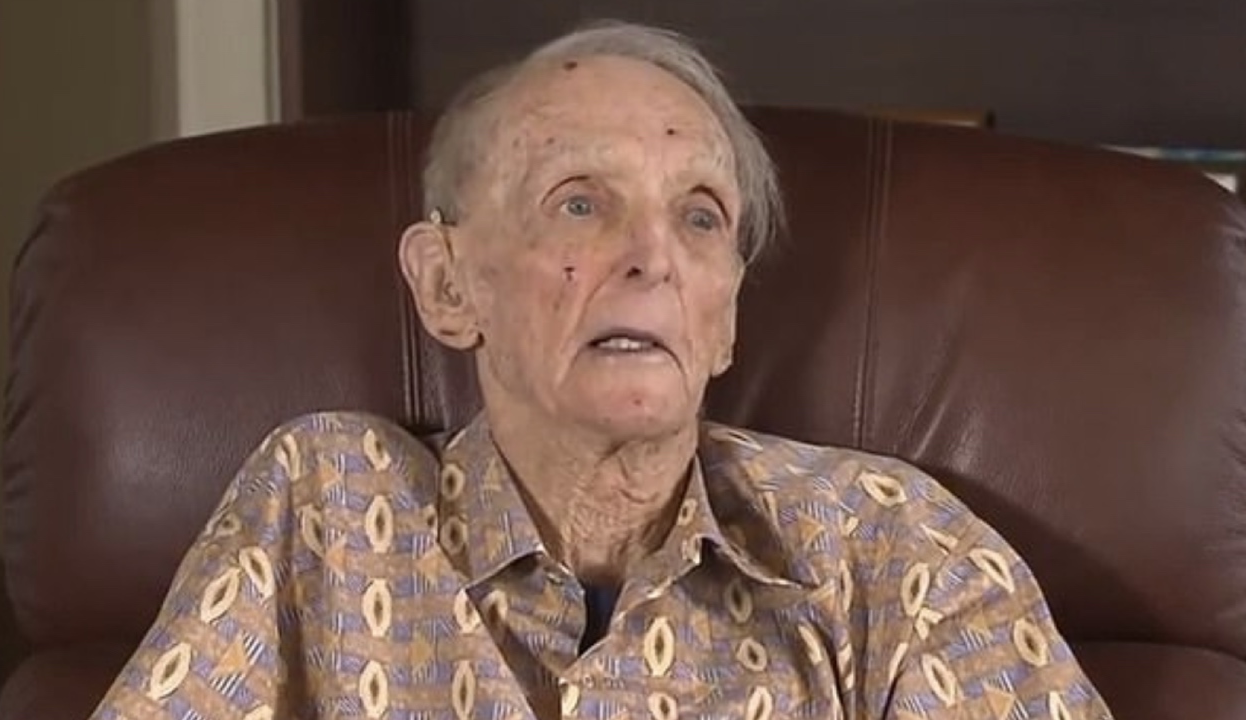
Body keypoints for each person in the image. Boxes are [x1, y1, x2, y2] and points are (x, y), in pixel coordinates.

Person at [91, 21, 1113, 720]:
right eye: (579, 201)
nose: (651, 256)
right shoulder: (322, 505)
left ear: (725, 318)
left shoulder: (896, 551)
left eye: (700, 216)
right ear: (447, 285)